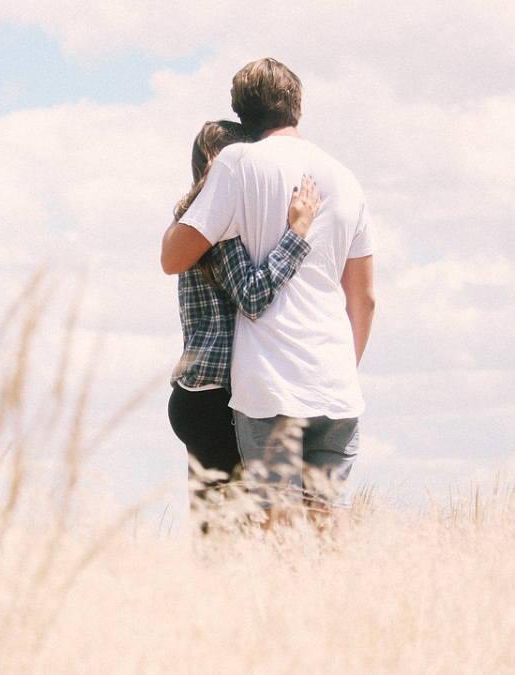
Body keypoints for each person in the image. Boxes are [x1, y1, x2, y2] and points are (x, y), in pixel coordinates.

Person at [161, 58, 377, 536]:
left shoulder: (237, 170)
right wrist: (341, 367)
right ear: (298, 104)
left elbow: (177, 258)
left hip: (264, 385)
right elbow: (364, 300)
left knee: (263, 525)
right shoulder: (346, 177)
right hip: (331, 382)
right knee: (330, 512)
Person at [167, 120, 321, 510]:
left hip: (196, 394)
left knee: (215, 533)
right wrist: (297, 235)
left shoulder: (191, 220)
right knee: (236, 536)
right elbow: (252, 296)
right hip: (217, 398)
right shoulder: (221, 224)